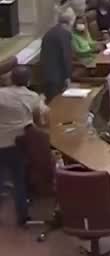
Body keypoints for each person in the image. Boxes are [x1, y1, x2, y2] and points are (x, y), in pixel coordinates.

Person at [0, 66, 48, 225]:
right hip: (18, 143)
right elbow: (41, 119)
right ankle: (22, 217)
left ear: (11, 79)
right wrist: (42, 100)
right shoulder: (32, 97)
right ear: (28, 81)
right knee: (18, 180)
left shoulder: (1, 93)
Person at [40, 12, 74, 101]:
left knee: (51, 101)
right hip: (58, 76)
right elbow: (66, 56)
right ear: (70, 22)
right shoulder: (65, 34)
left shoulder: (49, 32)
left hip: (46, 73)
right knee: (59, 102)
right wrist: (68, 76)